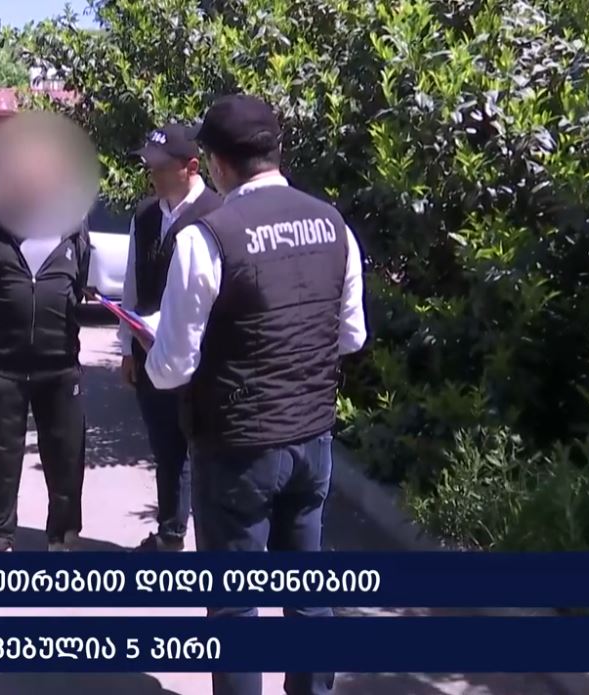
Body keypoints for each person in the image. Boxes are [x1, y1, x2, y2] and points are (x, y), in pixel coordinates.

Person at [144, 95, 368, 694]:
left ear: (217, 164)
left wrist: (150, 344)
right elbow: (352, 336)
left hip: (236, 447)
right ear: (277, 151)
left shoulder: (208, 237)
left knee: (235, 607)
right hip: (312, 437)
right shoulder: (333, 224)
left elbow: (172, 368)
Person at [0, 114, 96, 553]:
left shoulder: (73, 226)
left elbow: (79, 282)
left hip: (60, 367)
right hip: (3, 367)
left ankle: (62, 535)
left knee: (66, 457)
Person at [119, 124, 222, 552]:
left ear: (191, 167)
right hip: (151, 356)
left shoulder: (218, 214)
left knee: (208, 454)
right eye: (149, 167)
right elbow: (131, 284)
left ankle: (213, 542)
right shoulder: (145, 215)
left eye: (161, 168)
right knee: (166, 449)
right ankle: (171, 532)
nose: (153, 175)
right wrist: (127, 348)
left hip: (204, 362)